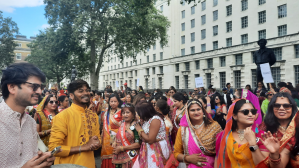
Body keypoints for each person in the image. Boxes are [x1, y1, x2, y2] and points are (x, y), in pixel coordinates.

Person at [0, 63, 55, 167]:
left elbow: (31, 158)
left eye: (40, 87)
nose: (39, 91)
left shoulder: (30, 122)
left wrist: (42, 160)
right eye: (34, 86)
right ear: (12, 87)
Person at [49, 79, 101, 167]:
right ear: (71, 95)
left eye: (87, 90)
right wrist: (84, 147)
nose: (86, 93)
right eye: (81, 91)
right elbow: (54, 148)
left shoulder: (93, 116)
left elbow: (97, 140)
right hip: (69, 165)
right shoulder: (62, 117)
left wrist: (96, 143)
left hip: (89, 164)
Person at [215, 99, 269, 167]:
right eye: (245, 112)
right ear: (234, 116)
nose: (250, 114)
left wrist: (253, 144)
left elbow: (264, 165)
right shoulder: (222, 136)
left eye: (253, 111)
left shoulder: (262, 135)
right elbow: (218, 160)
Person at [174, 99, 222, 168]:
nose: (196, 112)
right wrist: (188, 158)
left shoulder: (214, 126)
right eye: (192, 110)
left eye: (198, 109)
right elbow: (176, 153)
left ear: (203, 111)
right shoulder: (183, 130)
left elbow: (222, 150)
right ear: (187, 113)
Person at [256, 93, 298, 168]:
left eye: (286, 106)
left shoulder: (297, 127)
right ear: (272, 108)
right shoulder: (264, 127)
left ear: (292, 108)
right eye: (277, 106)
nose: (281, 108)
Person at [134, 101, 172, 167]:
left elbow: (150, 140)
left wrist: (139, 129)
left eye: (138, 112)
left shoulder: (155, 120)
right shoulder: (148, 119)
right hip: (149, 147)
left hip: (156, 148)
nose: (137, 114)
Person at [112, 104, 140, 168]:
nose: (125, 114)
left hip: (131, 157)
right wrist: (114, 142)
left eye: (127, 112)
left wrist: (122, 148)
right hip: (119, 156)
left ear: (133, 114)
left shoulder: (136, 126)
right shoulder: (122, 123)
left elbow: (138, 144)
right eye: (123, 113)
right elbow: (118, 136)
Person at [101, 94, 123, 168]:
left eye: (115, 101)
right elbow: (104, 125)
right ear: (109, 102)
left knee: (115, 154)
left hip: (117, 138)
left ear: (118, 102)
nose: (113, 103)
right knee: (107, 155)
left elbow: (123, 126)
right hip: (106, 139)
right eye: (111, 101)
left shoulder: (121, 112)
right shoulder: (107, 112)